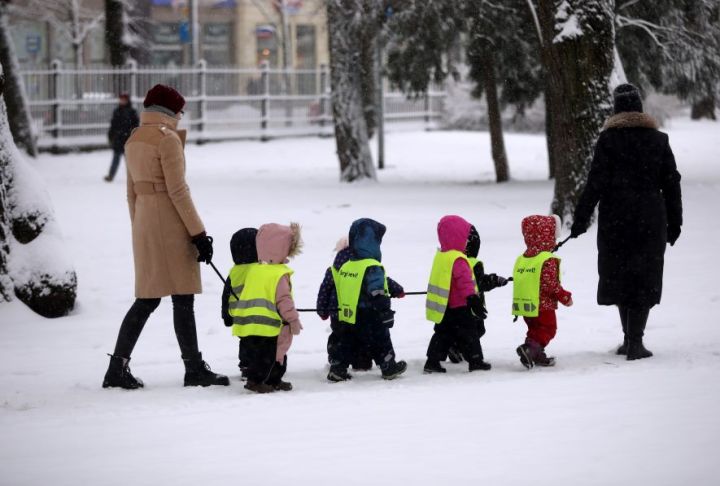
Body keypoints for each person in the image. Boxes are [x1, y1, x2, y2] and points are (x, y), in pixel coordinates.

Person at [102, 84, 228, 389]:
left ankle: (117, 367)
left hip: (145, 221)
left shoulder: (134, 138)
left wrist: (139, 227)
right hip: (170, 224)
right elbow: (178, 191)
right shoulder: (166, 139)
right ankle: (193, 368)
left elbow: (131, 193)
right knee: (181, 298)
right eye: (180, 110)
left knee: (147, 298)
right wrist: (199, 233)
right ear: (171, 111)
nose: (182, 115)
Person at [570, 83, 683, 360]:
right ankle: (636, 341)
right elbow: (671, 184)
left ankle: (628, 340)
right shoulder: (659, 140)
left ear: (616, 108)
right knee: (644, 277)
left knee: (620, 275)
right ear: (640, 107)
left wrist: (581, 219)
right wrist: (675, 221)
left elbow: (594, 183)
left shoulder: (608, 141)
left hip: (615, 220)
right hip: (649, 218)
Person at [327, 218, 407, 382]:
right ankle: (388, 366)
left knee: (346, 341)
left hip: (349, 315)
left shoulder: (348, 265)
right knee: (381, 340)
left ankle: (338, 368)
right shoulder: (372, 266)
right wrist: (385, 310)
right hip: (371, 313)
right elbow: (377, 288)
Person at [228, 223, 303, 393]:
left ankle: (272, 379)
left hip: (249, 322)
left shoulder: (255, 270)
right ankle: (256, 381)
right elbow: (284, 300)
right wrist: (293, 320)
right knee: (270, 355)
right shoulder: (278, 274)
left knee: (262, 355)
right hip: (268, 325)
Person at [424, 215, 492, 374]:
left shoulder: (441, 256)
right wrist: (472, 298)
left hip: (445, 305)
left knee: (442, 334)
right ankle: (475, 360)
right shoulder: (458, 259)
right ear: (459, 236)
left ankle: (432, 361)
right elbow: (464, 281)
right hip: (460, 305)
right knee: (470, 334)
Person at [512, 215, 573, 369]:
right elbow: (550, 284)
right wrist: (564, 296)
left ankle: (535, 353)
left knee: (534, 330)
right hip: (542, 305)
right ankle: (530, 349)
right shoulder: (547, 259)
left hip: (526, 304)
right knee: (548, 329)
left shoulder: (524, 258)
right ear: (548, 236)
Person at [446, 224, 509, 364]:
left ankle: (455, 347)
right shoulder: (473, 262)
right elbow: (480, 283)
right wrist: (495, 281)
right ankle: (459, 349)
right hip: (472, 304)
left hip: (454, 304)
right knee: (477, 330)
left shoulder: (452, 260)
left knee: (458, 328)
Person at [221, 227, 259, 379]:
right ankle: (258, 365)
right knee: (258, 341)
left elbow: (226, 295)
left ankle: (245, 365)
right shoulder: (259, 270)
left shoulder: (234, 272)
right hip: (258, 313)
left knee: (245, 340)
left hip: (239, 315)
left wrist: (226, 315)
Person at [105, 93, 139, 182]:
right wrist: (110, 135)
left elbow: (136, 126)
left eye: (124, 99)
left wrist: (133, 136)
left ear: (127, 100)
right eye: (121, 99)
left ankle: (133, 177)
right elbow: (113, 125)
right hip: (118, 140)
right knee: (115, 159)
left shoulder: (132, 112)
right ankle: (111, 175)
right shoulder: (117, 111)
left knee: (129, 161)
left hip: (128, 140)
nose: (122, 101)